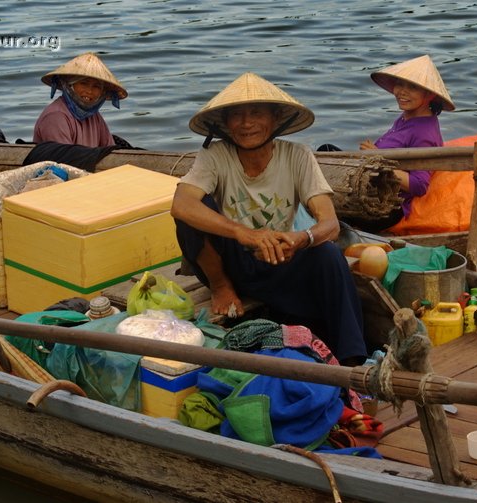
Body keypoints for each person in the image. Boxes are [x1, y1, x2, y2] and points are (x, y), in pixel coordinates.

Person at [171, 72, 367, 366]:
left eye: (256, 113)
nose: (246, 123)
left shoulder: (297, 156)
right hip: (227, 262)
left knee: (327, 253)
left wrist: (302, 239)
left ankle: (353, 363)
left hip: (279, 257)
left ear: (275, 120)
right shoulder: (215, 156)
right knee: (195, 212)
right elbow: (181, 204)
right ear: (226, 124)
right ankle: (222, 288)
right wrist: (243, 234)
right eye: (237, 115)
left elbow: (330, 223)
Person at [345, 55, 455, 232]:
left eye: (412, 87)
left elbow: (419, 186)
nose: (402, 92)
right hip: (372, 191)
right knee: (326, 151)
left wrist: (377, 160)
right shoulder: (408, 117)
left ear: (429, 95)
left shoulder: (423, 133)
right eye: (400, 84)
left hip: (385, 207)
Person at [33, 52, 127, 148]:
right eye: (83, 83)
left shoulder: (94, 116)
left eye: (96, 86)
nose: (89, 91)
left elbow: (109, 149)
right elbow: (64, 158)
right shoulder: (55, 116)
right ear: (70, 85)